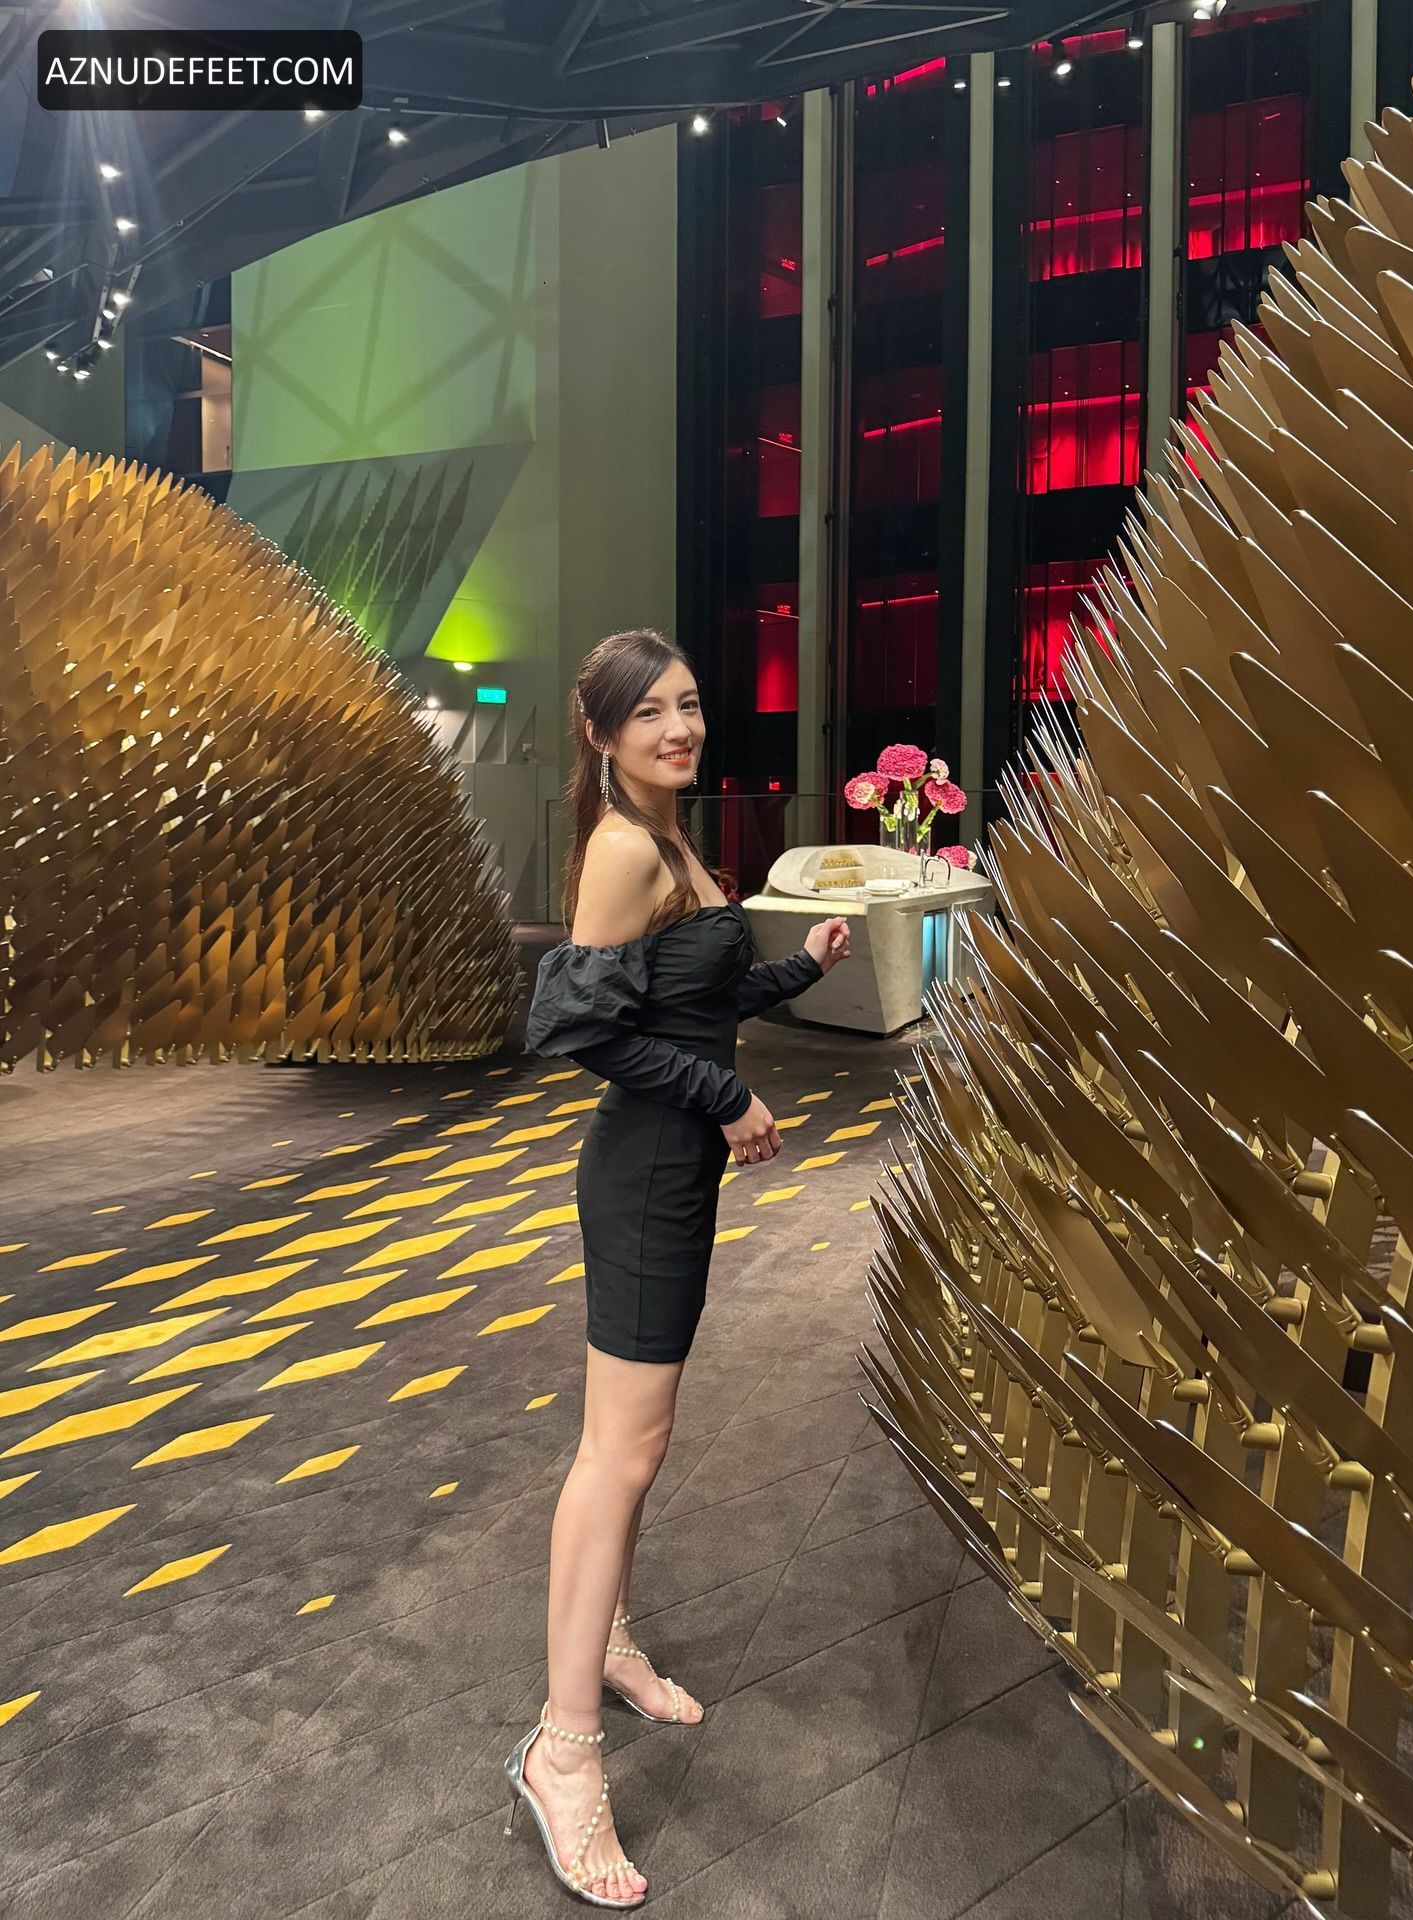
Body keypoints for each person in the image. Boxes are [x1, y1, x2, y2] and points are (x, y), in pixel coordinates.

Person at [502, 628, 850, 1908]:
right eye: (648, 713)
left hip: (674, 1170)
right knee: (620, 1453)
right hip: (646, 1171)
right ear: (601, 735)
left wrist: (797, 970)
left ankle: (607, 1641)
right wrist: (724, 1100)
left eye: (689, 705)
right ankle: (561, 1751)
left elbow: (689, 1002)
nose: (678, 728)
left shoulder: (675, 842)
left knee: (632, 1444)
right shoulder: (621, 846)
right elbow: (579, 1030)